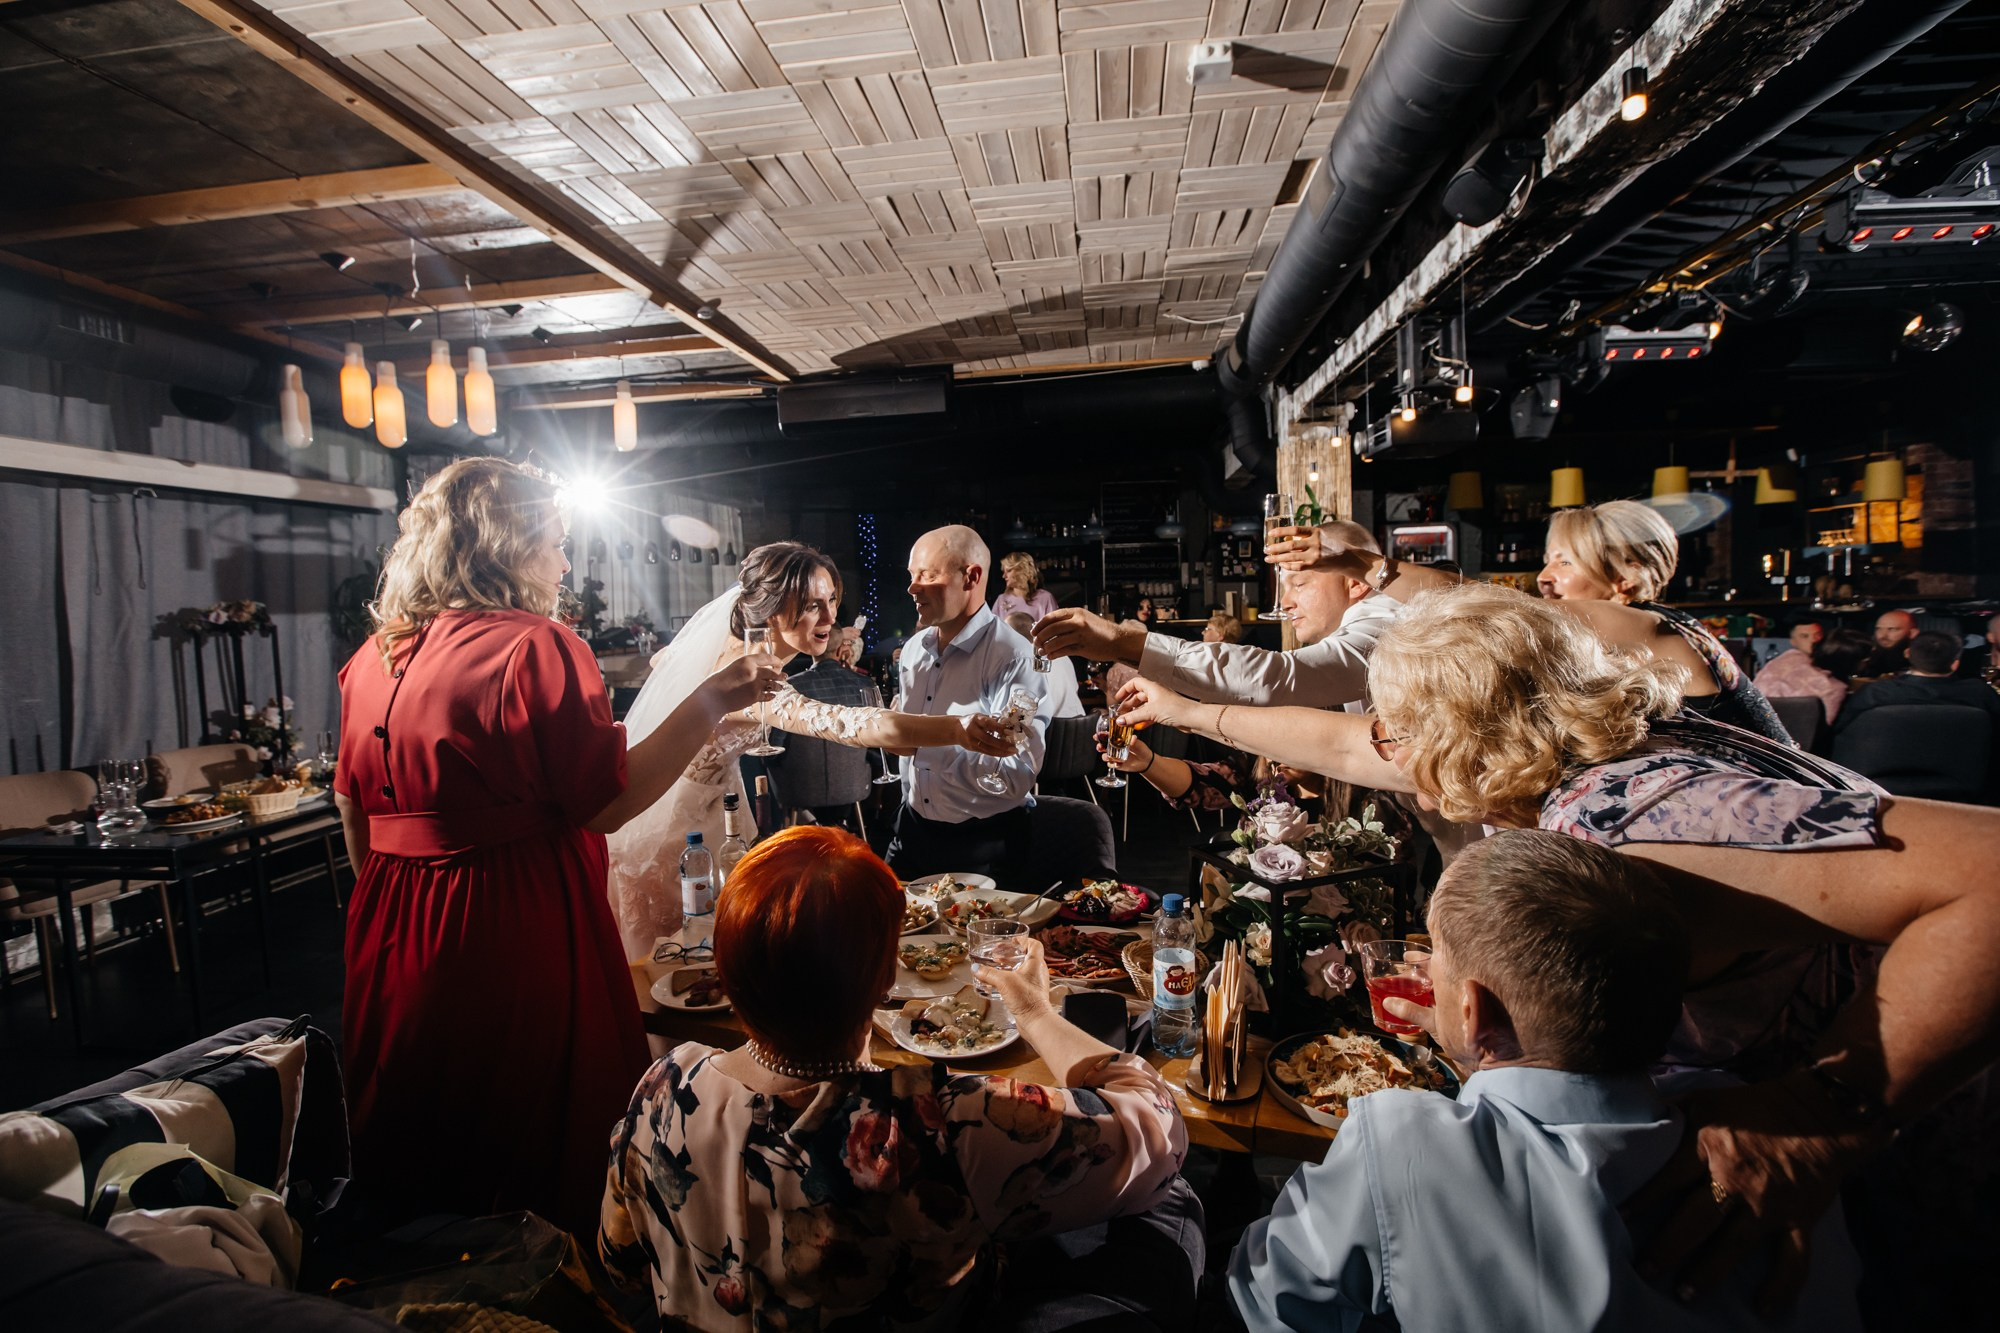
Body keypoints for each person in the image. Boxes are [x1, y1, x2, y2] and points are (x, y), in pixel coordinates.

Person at [1113, 583, 2000, 1308]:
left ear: (1464, 737)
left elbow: (1990, 873)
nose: (1382, 747)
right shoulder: (1559, 750)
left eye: (1396, 729)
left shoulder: (1633, 821)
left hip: (1903, 1153)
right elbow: (1344, 744)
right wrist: (1188, 708)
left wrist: (1825, 1116)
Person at [333, 458, 786, 1234]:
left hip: (390, 923)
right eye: (556, 542)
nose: (565, 564)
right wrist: (712, 697)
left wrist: (407, 896)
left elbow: (352, 812)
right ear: (510, 543)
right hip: (508, 922)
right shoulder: (534, 646)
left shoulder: (374, 658)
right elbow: (608, 802)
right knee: (528, 1133)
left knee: (423, 1131)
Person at [1230, 831, 1859, 1332]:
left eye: (1434, 958)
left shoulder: (1404, 1140)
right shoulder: (1774, 1154)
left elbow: (1270, 1297)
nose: (1424, 973)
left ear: (1473, 1010)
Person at [599, 827, 1196, 1331]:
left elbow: (620, 1263)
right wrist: (1034, 1011)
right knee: (1172, 1205)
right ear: (887, 976)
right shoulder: (936, 1124)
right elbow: (1160, 1133)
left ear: (726, 972)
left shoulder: (663, 1087)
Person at [607, 542, 1012, 958]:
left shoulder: (731, 650)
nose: (830, 617)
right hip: (676, 834)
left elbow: (663, 661)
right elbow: (843, 722)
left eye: (832, 600)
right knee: (675, 960)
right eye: (812, 605)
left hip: (716, 813)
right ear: (772, 609)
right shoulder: (749, 676)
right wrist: (956, 728)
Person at [1268, 502, 1794, 744]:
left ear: (1625, 578)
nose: (1545, 577)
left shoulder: (1646, 628)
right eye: (1547, 559)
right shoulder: (1643, 636)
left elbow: (1480, 602)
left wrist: (1362, 564)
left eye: (1565, 561)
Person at [1033, 520, 1396, 711]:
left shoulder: (1382, 632)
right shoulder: (1366, 626)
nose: (1285, 602)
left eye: (1299, 584)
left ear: (1355, 582)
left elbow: (1277, 677)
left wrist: (1120, 642)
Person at [889, 525, 1049, 879]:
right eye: (912, 576)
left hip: (984, 842)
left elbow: (1016, 773)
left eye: (928, 575)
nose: (912, 588)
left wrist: (919, 744)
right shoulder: (913, 650)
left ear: (971, 577)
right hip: (911, 829)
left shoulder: (1014, 657)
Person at [1835, 629, 2000, 734]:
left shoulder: (1876, 693)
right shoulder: (1979, 693)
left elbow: (1842, 730)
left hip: (1879, 773)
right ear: (1955, 664)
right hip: (1967, 773)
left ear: (1907, 654)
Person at [1755, 620, 1847, 726]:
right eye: (1804, 636)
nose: (1813, 640)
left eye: (1818, 635)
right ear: (1793, 641)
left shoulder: (1774, 664)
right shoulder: (1790, 666)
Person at [1004, 611, 1084, 718]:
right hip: (1082, 722)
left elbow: (1022, 708)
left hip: (1052, 726)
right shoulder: (1061, 654)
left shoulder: (1023, 658)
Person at [992, 551, 1059, 623]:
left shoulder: (1045, 598)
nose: (1004, 576)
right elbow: (992, 628)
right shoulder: (1001, 599)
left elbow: (1055, 627)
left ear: (1022, 570)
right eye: (1003, 572)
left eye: (1009, 571)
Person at [1857, 609, 1919, 679]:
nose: (1882, 636)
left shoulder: (1921, 660)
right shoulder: (1867, 658)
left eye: (1892, 629)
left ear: (1912, 633)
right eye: (1878, 629)